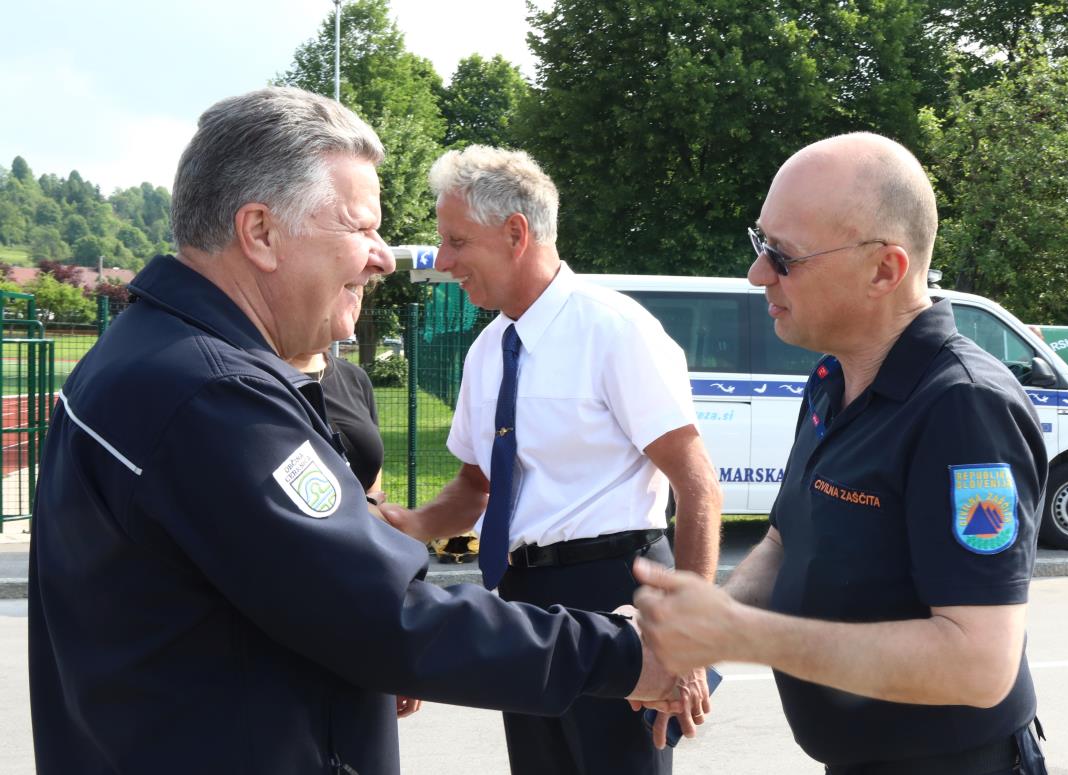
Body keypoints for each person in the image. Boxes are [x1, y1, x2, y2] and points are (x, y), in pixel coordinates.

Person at [26, 87, 692, 775]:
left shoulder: (151, 355)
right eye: (361, 228)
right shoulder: (213, 395)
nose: (383, 257)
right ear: (260, 233)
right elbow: (386, 615)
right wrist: (627, 654)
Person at [632, 132, 1051, 775]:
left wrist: (742, 634)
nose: (757, 274)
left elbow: (979, 665)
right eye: (760, 244)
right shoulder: (833, 378)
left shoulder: (963, 407)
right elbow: (784, 542)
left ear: (885, 270)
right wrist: (698, 633)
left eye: (784, 256)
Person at [381, 145, 723, 773]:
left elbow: (697, 484)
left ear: (516, 233)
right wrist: (412, 524)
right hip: (523, 605)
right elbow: (476, 485)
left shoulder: (615, 330)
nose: (444, 261)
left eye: (457, 241)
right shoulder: (487, 350)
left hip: (616, 595)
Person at [286, 345, 420, 719]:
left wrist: (399, 649)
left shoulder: (353, 378)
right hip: (296, 592)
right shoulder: (256, 380)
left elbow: (372, 486)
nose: (354, 316)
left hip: (359, 583)